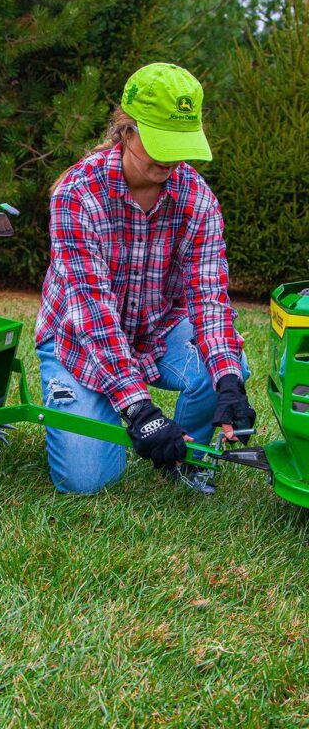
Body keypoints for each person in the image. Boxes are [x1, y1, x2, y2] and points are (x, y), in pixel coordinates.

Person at [35, 62, 256, 495]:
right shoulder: (77, 194)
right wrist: (140, 410)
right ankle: (124, 417)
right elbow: (93, 313)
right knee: (87, 480)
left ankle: (184, 458)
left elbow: (209, 299)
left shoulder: (197, 199)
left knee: (229, 365)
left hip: (156, 331)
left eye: (181, 144)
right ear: (127, 130)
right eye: (161, 143)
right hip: (79, 341)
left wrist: (228, 380)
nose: (173, 159)